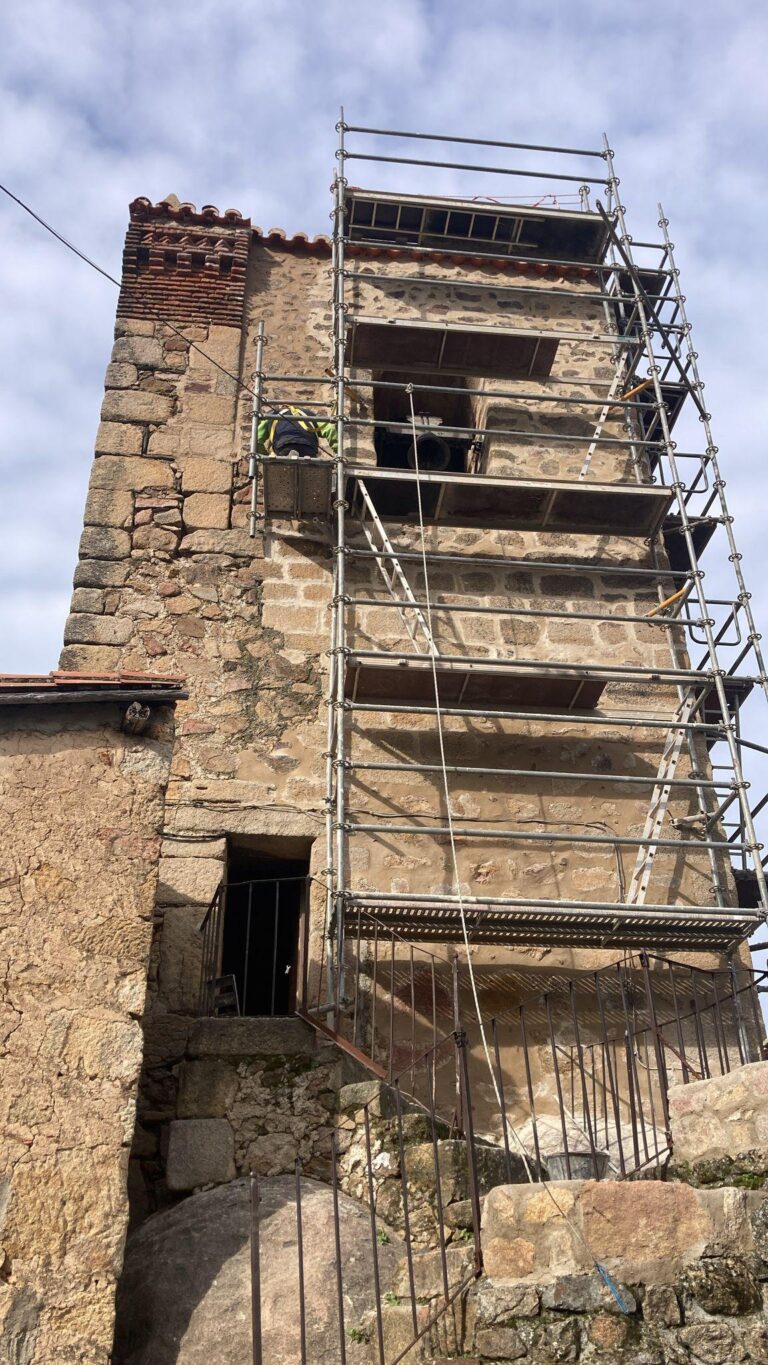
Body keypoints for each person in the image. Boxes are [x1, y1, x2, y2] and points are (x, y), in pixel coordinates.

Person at [257, 405, 338, 458]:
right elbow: (330, 429)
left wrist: (264, 455)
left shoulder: (272, 415)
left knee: (282, 467)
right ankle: (304, 456)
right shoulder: (309, 415)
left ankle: (291, 454)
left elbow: (257, 439)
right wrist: (337, 450)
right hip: (308, 447)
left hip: (284, 446)